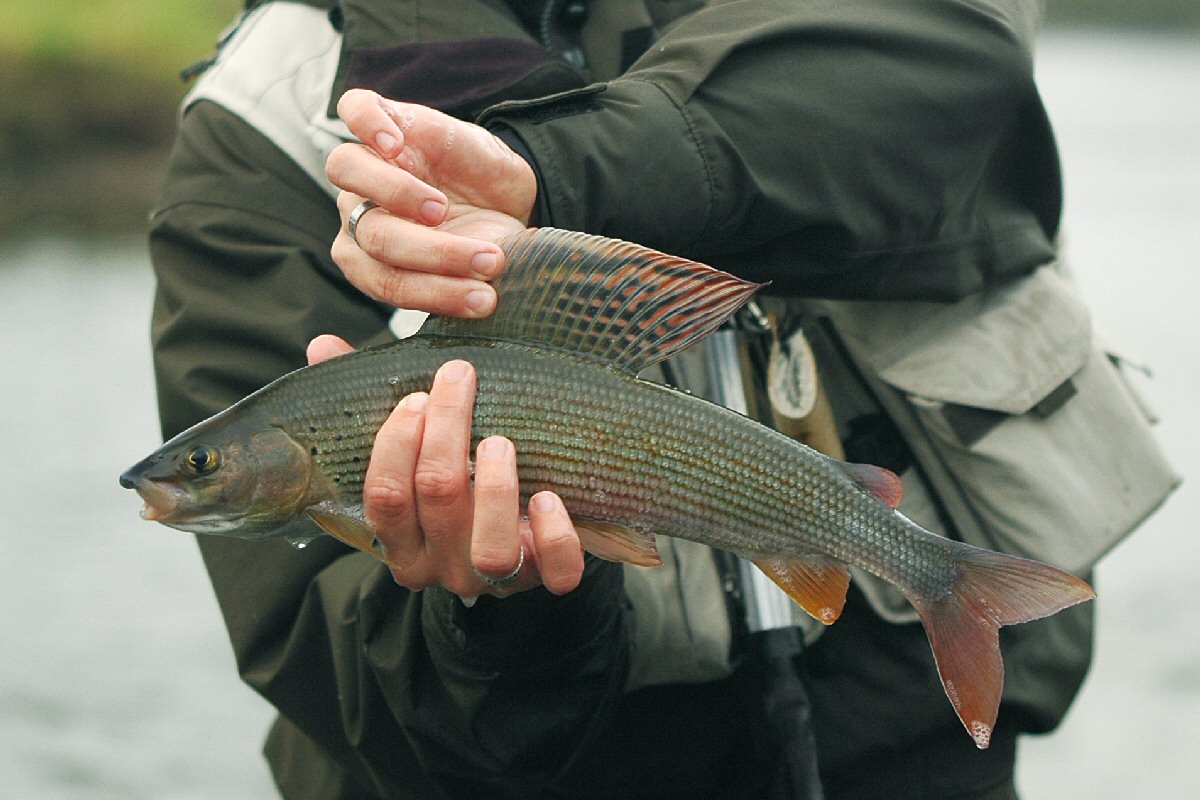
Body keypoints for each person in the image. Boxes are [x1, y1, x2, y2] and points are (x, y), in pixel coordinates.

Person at [147, 0, 1176, 797]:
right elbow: (331, 664)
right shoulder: (262, 125)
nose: (186, 479)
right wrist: (498, 623)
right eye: (202, 465)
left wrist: (551, 175)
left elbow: (965, 41)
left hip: (910, 755)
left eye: (203, 466)